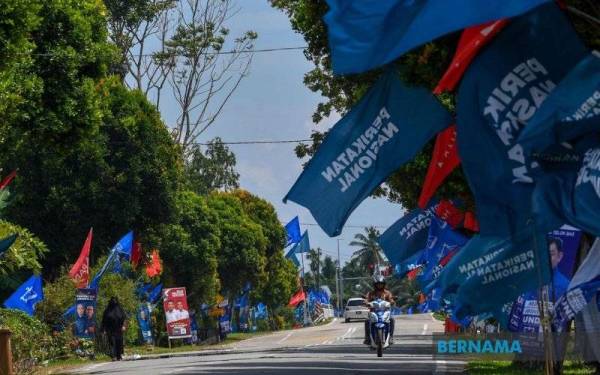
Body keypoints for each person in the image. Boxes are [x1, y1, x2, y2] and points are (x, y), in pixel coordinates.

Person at [363, 274, 395, 345]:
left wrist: (392, 301)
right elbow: (366, 299)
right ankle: (367, 338)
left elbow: (391, 299)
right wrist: (366, 302)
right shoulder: (371, 293)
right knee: (367, 321)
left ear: (384, 284)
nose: (379, 286)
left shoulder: (387, 293)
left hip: (385, 312)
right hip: (373, 312)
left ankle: (391, 337)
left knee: (392, 319)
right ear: (375, 285)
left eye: (381, 284)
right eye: (378, 284)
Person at [101, 297, 127, 361]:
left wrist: (124, 326)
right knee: (112, 342)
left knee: (119, 342)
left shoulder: (120, 309)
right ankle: (113, 356)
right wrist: (103, 329)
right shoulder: (107, 311)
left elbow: (124, 318)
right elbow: (104, 320)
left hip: (119, 329)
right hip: (110, 329)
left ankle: (119, 355)